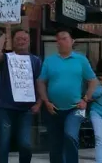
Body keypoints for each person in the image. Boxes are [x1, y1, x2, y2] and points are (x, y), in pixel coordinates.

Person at [36, 25, 98, 163]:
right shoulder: (50, 61)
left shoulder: (81, 60)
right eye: (58, 39)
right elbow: (41, 82)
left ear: (72, 41)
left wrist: (85, 99)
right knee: (55, 144)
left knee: (70, 136)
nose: (60, 42)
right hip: (53, 109)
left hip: (74, 108)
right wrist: (46, 101)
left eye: (64, 39)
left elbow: (93, 81)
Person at [0, 21, 42, 163]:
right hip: (5, 108)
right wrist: (5, 34)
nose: (21, 42)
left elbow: (40, 83)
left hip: (26, 109)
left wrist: (39, 103)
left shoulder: (36, 61)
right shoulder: (7, 58)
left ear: (29, 41)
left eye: (24, 39)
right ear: (12, 42)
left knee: (25, 144)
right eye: (18, 39)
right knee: (4, 143)